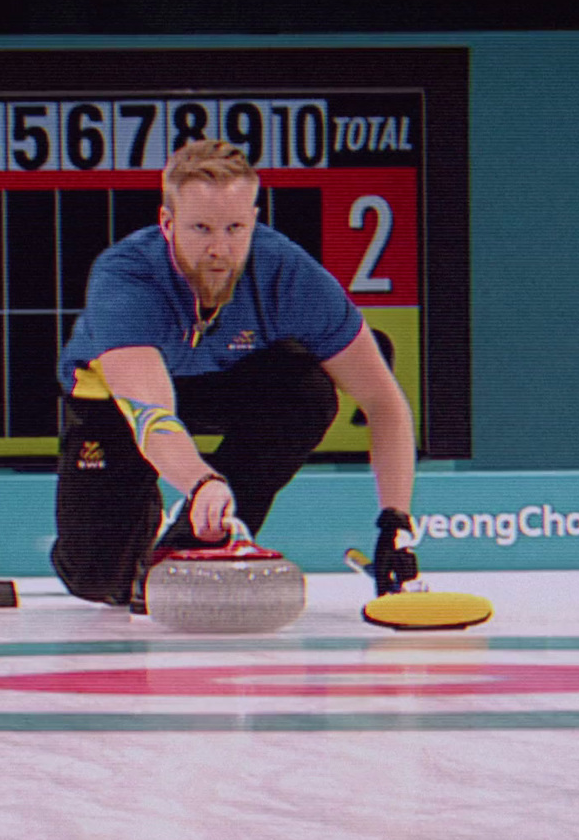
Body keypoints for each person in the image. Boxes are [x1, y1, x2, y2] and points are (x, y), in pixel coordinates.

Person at [51, 139, 421, 613]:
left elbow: (384, 403)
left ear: (254, 219)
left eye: (235, 228)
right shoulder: (126, 278)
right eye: (201, 228)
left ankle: (191, 540)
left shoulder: (288, 273)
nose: (219, 249)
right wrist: (202, 482)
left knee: (307, 392)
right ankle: (148, 516)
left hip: (223, 381)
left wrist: (396, 523)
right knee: (97, 579)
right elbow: (151, 415)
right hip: (116, 403)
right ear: (167, 223)